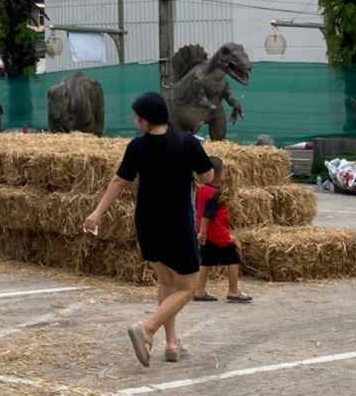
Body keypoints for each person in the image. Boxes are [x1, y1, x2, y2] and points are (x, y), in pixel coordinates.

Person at [85, 91, 220, 367]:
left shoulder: (137, 147)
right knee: (189, 286)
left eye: (137, 117)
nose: (136, 121)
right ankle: (148, 328)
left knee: (167, 283)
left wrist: (97, 212)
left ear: (146, 121)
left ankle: (172, 344)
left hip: (148, 224)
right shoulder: (187, 143)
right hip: (178, 225)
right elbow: (209, 177)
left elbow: (119, 182)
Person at [192, 177, 252, 303]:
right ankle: (234, 291)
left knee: (206, 261)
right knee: (233, 258)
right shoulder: (217, 194)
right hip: (218, 233)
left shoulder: (202, 189)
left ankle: (199, 290)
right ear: (218, 175)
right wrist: (203, 233)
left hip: (207, 232)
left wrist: (202, 232)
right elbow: (208, 215)